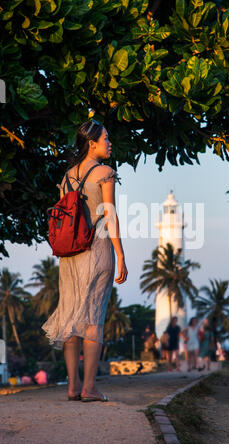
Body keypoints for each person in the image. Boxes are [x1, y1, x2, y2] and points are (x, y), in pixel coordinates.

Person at [42, 120, 128, 402]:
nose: (110, 142)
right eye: (106, 138)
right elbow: (109, 216)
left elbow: (64, 219)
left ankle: (72, 386)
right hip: (97, 249)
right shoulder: (104, 172)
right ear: (92, 143)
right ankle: (90, 388)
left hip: (69, 256)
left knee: (71, 316)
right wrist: (121, 254)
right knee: (93, 318)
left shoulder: (66, 176)